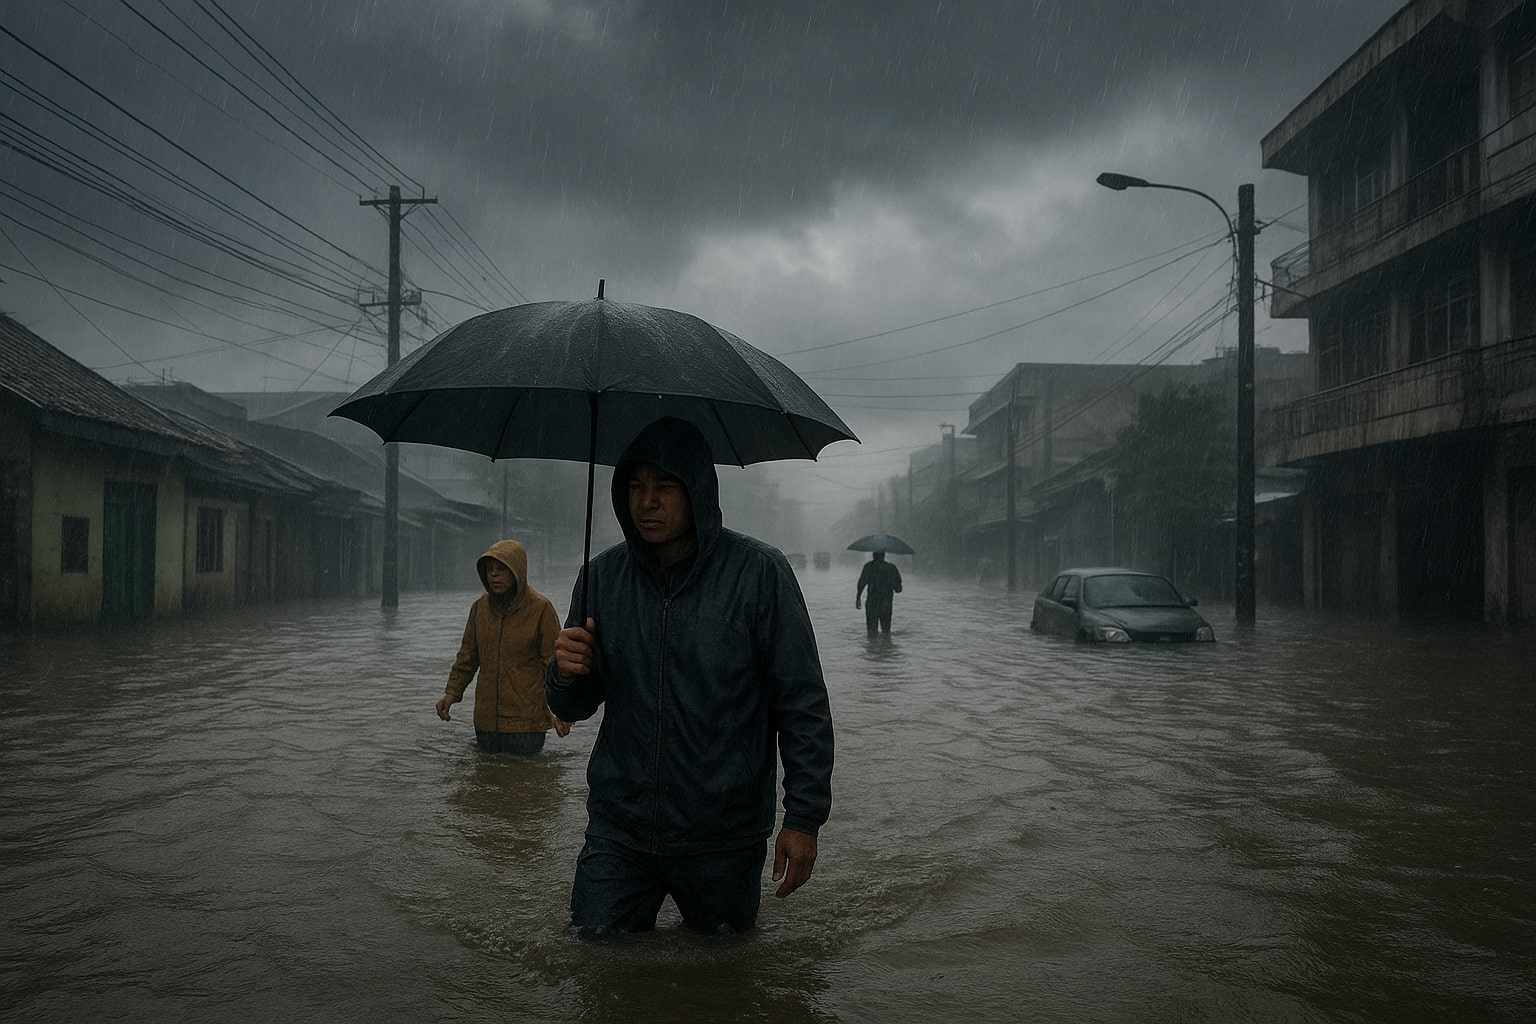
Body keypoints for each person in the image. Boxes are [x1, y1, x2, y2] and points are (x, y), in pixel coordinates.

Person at [546, 417, 834, 937]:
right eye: (635, 486)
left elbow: (802, 704)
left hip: (722, 834)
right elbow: (574, 707)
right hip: (621, 829)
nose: (647, 502)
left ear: (697, 491)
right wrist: (564, 672)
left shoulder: (759, 575)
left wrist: (803, 819)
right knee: (595, 961)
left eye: (665, 487)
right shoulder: (601, 579)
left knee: (723, 979)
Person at [436, 539, 571, 754]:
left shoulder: (540, 609)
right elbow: (467, 658)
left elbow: (554, 665)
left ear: (517, 571)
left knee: (526, 783)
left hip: (527, 725)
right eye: (489, 570)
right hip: (486, 722)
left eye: (501, 569)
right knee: (486, 782)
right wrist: (451, 694)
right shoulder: (479, 609)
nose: (494, 575)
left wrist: (562, 710)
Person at [855, 551, 903, 636]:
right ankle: (885, 647)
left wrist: (858, 598)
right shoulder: (891, 568)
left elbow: (861, 583)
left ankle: (872, 648)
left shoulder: (868, 567)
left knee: (871, 633)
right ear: (884, 556)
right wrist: (890, 583)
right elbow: (898, 589)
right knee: (886, 631)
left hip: (872, 603)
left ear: (873, 556)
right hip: (886, 604)